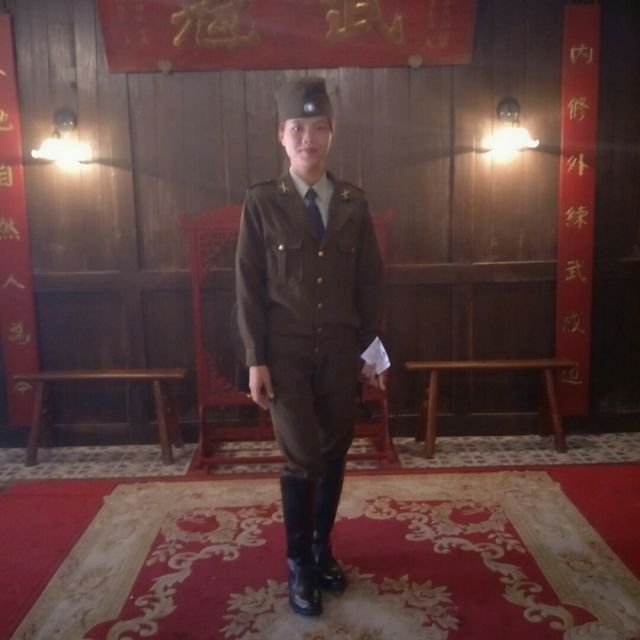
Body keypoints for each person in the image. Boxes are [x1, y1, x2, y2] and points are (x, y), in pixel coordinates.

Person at [235, 76, 387, 616]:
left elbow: (370, 283)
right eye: (296, 128)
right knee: (301, 457)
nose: (307, 138)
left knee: (335, 449)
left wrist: (372, 353)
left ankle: (322, 550)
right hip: (286, 355)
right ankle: (298, 562)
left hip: (340, 352)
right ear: (281, 135)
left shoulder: (352, 203)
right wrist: (256, 358)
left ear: (331, 133)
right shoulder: (262, 203)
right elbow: (248, 286)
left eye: (317, 127)